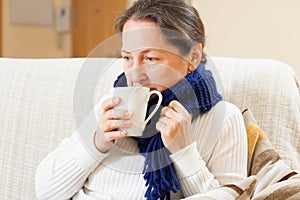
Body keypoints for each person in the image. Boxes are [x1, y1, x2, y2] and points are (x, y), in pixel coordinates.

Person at [35, 0, 248, 199]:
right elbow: (46, 192)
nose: (135, 74)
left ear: (192, 57)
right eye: (127, 57)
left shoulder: (223, 118)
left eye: (150, 58)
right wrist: (96, 143)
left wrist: (184, 152)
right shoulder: (112, 103)